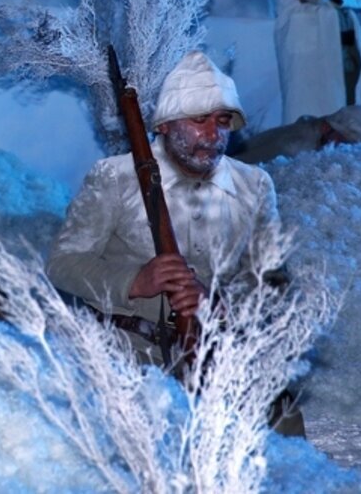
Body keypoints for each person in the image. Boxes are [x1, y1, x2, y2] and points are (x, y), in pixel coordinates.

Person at [46, 51, 304, 435]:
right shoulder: (113, 178)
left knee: (280, 433)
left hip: (217, 347)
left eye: (222, 122)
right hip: (127, 350)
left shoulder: (254, 186)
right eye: (199, 120)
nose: (213, 135)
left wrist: (220, 303)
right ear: (165, 125)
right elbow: (62, 263)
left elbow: (273, 280)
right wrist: (134, 281)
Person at [231, 104, 361, 164]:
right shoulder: (296, 149)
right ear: (328, 128)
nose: (347, 151)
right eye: (346, 143)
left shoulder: (312, 129)